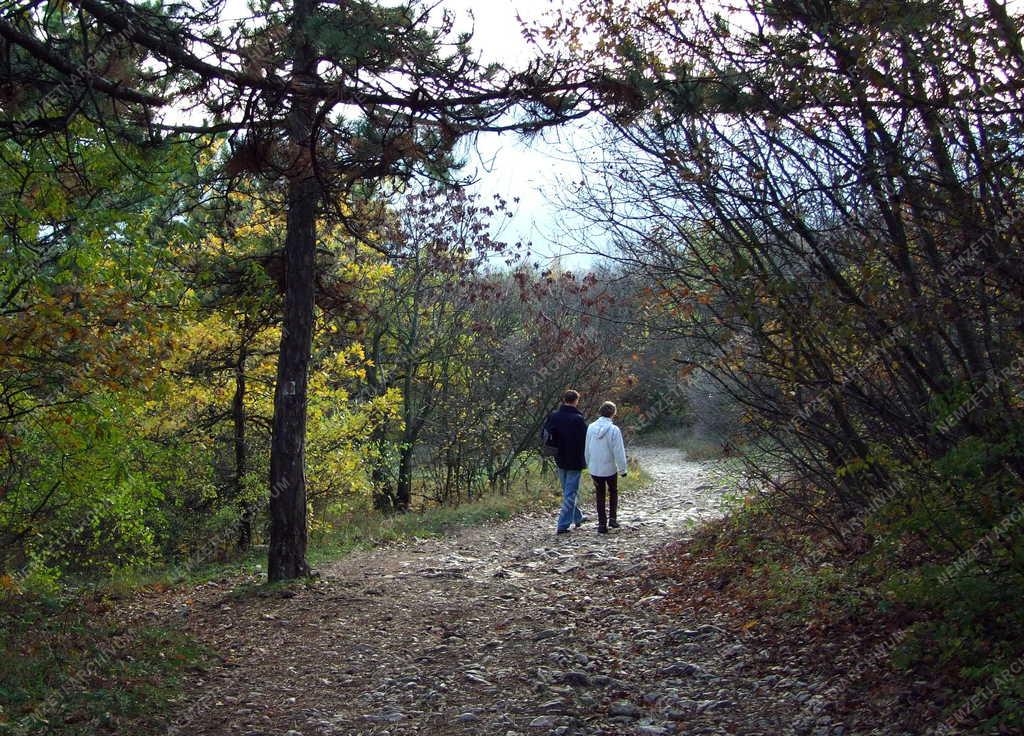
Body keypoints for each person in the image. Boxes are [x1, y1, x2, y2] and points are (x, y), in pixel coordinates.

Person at [542, 389, 588, 534]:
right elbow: (585, 440)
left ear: (564, 400)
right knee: (570, 492)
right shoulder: (578, 419)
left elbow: (544, 434)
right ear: (576, 401)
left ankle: (578, 517)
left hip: (559, 457)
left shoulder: (554, 416)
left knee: (567, 491)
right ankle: (562, 524)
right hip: (575, 459)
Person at [585, 401, 628, 534]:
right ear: (613, 413)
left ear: (600, 411)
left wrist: (588, 463)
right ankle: (613, 519)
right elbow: (619, 451)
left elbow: (587, 447)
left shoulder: (591, 427)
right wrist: (622, 469)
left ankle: (602, 524)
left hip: (595, 468)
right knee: (613, 491)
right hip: (609, 467)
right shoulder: (614, 430)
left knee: (600, 494)